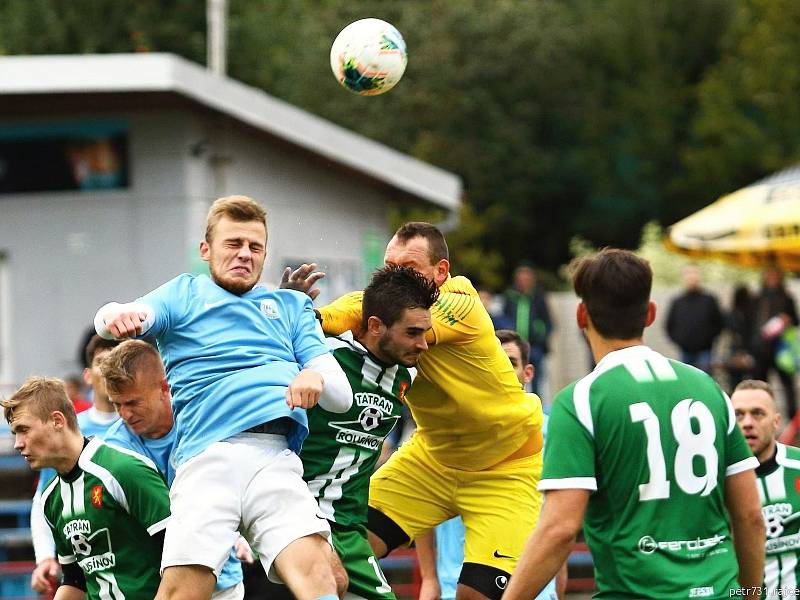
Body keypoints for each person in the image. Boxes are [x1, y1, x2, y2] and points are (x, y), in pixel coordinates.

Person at [93, 195, 353, 600]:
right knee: (184, 591)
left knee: (324, 577)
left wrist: (313, 375)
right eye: (233, 244)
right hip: (206, 461)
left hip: (274, 457)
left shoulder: (290, 306)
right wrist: (114, 315)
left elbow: (342, 398)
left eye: (255, 247)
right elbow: (121, 316)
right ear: (206, 250)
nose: (244, 255)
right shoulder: (184, 294)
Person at [292, 222, 545, 600]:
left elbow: (367, 312)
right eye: (389, 266)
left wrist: (308, 319)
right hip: (433, 458)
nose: (395, 276)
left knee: (475, 597)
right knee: (336, 551)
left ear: (441, 272)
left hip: (504, 468)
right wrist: (298, 322)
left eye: (407, 268)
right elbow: (367, 308)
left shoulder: (458, 301)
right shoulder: (392, 310)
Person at [503, 248, 765, 600]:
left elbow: (560, 531)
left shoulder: (580, 401)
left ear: (582, 315)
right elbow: (750, 516)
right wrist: (749, 594)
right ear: (651, 314)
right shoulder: (710, 390)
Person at [295, 265, 437, 599]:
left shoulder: (406, 375)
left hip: (351, 529)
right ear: (374, 326)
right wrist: (290, 308)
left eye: (425, 333)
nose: (424, 345)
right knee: (333, 584)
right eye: (412, 333)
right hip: (299, 518)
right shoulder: (323, 360)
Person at [99, 339, 247, 600]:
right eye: (116, 404)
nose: (125, 414)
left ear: (163, 388)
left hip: (221, 582)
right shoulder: (113, 449)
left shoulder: (204, 422)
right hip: (156, 587)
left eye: (132, 403)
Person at [3, 376, 170, 599]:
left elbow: (181, 554)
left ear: (57, 421)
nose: (18, 443)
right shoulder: (51, 498)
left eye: (24, 429)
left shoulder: (122, 470)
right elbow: (76, 579)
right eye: (15, 433)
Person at [427, 329, 563, 600]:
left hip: (534, 591)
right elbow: (423, 506)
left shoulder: (553, 435)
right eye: (492, 359)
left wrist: (556, 588)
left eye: (510, 362)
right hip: (457, 588)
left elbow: (559, 519)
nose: (500, 368)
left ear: (528, 373)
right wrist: (429, 579)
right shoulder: (442, 429)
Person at [30, 335, 121, 595]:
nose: (109, 371)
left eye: (116, 363)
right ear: (88, 375)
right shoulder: (71, 430)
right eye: (102, 363)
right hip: (87, 569)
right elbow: (44, 499)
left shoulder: (141, 426)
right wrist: (46, 557)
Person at [732, 379, 800, 599]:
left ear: (776, 421)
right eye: (738, 415)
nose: (747, 422)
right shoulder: (714, 481)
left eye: (758, 413)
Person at [752, 266, 799, 420]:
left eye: (775, 275)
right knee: (760, 387)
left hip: (781, 350)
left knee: (788, 387)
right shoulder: (758, 298)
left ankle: (793, 420)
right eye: (769, 275)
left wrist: (788, 320)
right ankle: (760, 417)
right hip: (761, 350)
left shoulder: (786, 297)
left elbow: (795, 321)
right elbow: (751, 323)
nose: (772, 278)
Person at [501, 264, 552, 395]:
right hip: (514, 346)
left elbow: (548, 321)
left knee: (536, 381)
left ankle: (536, 406)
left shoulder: (538, 297)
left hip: (534, 346)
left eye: (527, 278)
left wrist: (540, 336)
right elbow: (504, 317)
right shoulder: (510, 296)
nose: (524, 281)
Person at [665, 264, 724, 374]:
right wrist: (679, 340)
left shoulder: (709, 300)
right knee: (686, 381)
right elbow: (669, 325)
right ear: (684, 278)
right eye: (689, 275)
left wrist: (709, 339)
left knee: (705, 381)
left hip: (705, 351)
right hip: (685, 351)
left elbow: (720, 323)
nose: (692, 278)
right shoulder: (678, 302)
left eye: (694, 274)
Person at [724, 285, 756, 391]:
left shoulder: (731, 313)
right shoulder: (751, 314)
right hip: (745, 351)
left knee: (735, 384)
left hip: (735, 350)